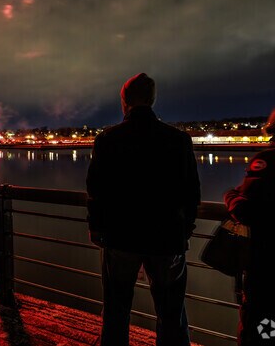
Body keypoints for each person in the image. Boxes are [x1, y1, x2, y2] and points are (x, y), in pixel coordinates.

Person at [86, 73, 201, 346]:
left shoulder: (108, 140)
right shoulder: (179, 140)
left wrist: (96, 227)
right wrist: (185, 230)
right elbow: (192, 192)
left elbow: (96, 191)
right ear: (152, 100)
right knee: (171, 313)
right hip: (167, 238)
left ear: (124, 102)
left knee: (116, 310)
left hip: (120, 238)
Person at [224, 103, 275, 345]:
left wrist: (231, 194)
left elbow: (244, 210)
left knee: (260, 329)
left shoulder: (268, 160)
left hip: (268, 267)